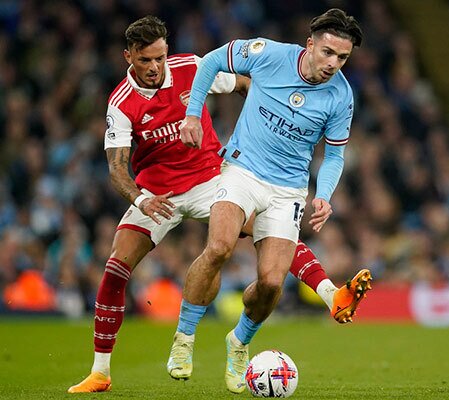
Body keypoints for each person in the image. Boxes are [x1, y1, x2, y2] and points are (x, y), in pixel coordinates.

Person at [67, 15, 371, 394]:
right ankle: (101, 372)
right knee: (116, 266)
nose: (155, 68)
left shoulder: (188, 68)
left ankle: (327, 294)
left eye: (160, 58)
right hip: (158, 196)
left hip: (212, 176)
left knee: (265, 239)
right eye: (145, 60)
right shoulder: (121, 103)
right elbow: (116, 168)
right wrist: (142, 200)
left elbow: (243, 82)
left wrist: (267, 118)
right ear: (128, 56)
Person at [172, 8, 363, 393]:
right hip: (242, 170)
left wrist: (323, 196)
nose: (333, 64)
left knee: (272, 284)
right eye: (327, 52)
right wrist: (193, 114)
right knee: (220, 247)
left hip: (288, 190)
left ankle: (239, 341)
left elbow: (335, 155)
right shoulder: (268, 54)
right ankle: (184, 338)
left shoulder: (341, 96)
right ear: (310, 44)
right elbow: (211, 61)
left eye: (342, 57)